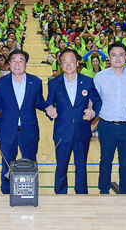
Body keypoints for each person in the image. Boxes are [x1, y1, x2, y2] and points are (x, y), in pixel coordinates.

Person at [0, 49, 54, 194]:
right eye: (14, 60)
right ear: (9, 64)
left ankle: (29, 194)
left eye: (21, 60)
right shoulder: (1, 83)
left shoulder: (36, 81)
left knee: (30, 164)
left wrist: (48, 107)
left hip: (29, 131)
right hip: (7, 131)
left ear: (26, 63)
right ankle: (6, 194)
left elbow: (39, 102)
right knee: (6, 165)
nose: (17, 64)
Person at [45, 49, 102, 194]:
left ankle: (81, 195)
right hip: (61, 132)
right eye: (65, 62)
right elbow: (48, 104)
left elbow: (98, 101)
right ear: (60, 64)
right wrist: (49, 110)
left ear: (77, 63)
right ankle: (60, 194)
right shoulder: (54, 83)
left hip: (81, 132)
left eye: (71, 61)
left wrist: (93, 112)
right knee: (61, 166)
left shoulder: (88, 82)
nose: (68, 65)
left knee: (81, 166)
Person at [93, 42, 126, 194]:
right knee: (105, 160)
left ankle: (125, 190)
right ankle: (103, 190)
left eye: (121, 54)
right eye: (114, 55)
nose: (118, 58)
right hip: (106, 125)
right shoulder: (100, 77)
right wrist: (91, 122)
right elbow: (93, 101)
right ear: (109, 57)